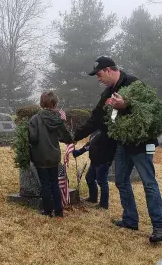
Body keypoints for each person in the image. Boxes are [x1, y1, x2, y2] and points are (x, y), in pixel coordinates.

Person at [74, 56, 162, 242]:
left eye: (99, 74)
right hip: (123, 144)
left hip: (140, 143)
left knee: (149, 184)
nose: (98, 79)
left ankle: (159, 227)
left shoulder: (133, 83)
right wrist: (74, 137)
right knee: (121, 181)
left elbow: (151, 108)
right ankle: (130, 219)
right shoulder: (107, 94)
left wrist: (127, 105)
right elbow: (96, 118)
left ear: (108, 70)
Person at [29, 91, 73, 218]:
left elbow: (33, 138)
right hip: (54, 156)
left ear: (41, 103)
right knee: (54, 183)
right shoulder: (57, 120)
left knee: (45, 184)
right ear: (55, 104)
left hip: (40, 156)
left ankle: (48, 211)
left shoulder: (35, 119)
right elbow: (66, 137)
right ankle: (59, 211)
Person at [73, 130, 111, 209]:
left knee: (102, 182)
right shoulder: (95, 133)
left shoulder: (107, 133)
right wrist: (79, 152)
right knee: (89, 178)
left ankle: (104, 204)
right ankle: (93, 198)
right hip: (94, 161)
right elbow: (89, 145)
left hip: (102, 162)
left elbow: (107, 148)